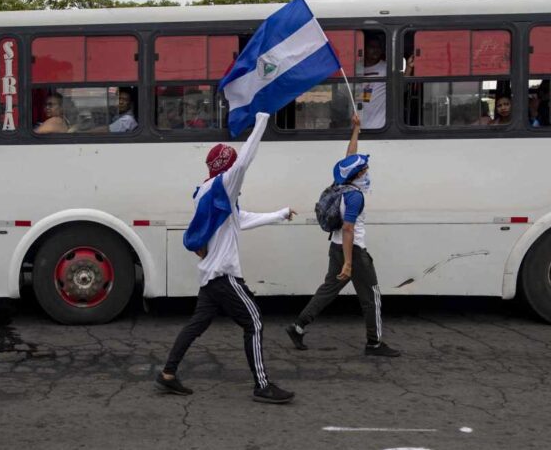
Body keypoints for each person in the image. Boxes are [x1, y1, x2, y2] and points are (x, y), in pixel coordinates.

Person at [156, 112, 297, 404]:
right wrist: (261, 121)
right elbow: (245, 159)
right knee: (255, 322)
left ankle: (168, 374)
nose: (239, 176)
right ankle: (262, 385)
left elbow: (240, 220)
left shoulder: (205, 192)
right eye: (234, 169)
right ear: (227, 167)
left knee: (196, 325)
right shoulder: (224, 184)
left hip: (210, 275)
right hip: (223, 274)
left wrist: (279, 214)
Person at [286, 113, 400, 357]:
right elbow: (348, 229)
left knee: (328, 289)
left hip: (335, 247)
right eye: (365, 170)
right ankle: (374, 343)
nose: (368, 172)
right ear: (358, 175)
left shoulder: (340, 185)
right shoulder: (355, 196)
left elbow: (349, 158)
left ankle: (298, 326)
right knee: (371, 296)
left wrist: (356, 130)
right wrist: (349, 263)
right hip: (353, 251)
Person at [357, 34, 387, 130]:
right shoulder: (356, 68)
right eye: (372, 47)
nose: (376, 50)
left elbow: (399, 88)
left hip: (378, 126)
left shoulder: (386, 67)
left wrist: (408, 68)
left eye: (378, 47)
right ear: (364, 49)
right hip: (357, 125)